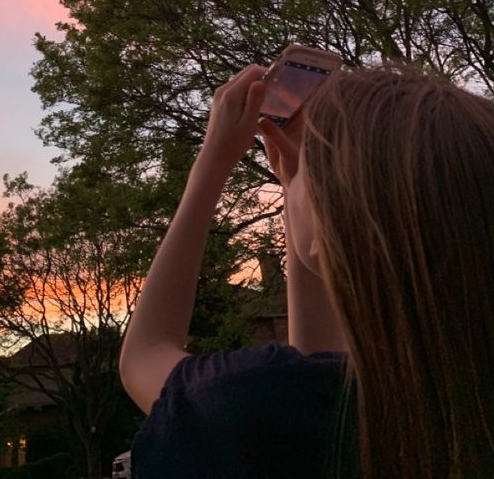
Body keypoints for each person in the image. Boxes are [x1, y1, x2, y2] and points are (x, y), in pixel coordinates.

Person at [119, 62, 494, 478]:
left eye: (310, 174)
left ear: (328, 229)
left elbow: (144, 353)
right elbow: (314, 363)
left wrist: (213, 159)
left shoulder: (253, 402)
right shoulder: (459, 392)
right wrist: (298, 192)